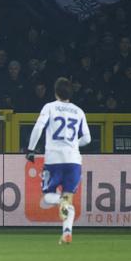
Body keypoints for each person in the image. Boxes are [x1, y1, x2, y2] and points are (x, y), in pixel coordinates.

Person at [26, 77, 91, 245]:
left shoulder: (49, 107)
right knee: (68, 199)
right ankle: (67, 232)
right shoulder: (79, 111)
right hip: (74, 160)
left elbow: (39, 127)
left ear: (55, 92)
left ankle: (60, 203)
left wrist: (31, 149)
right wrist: (73, 144)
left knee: (48, 196)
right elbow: (87, 139)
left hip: (54, 159)